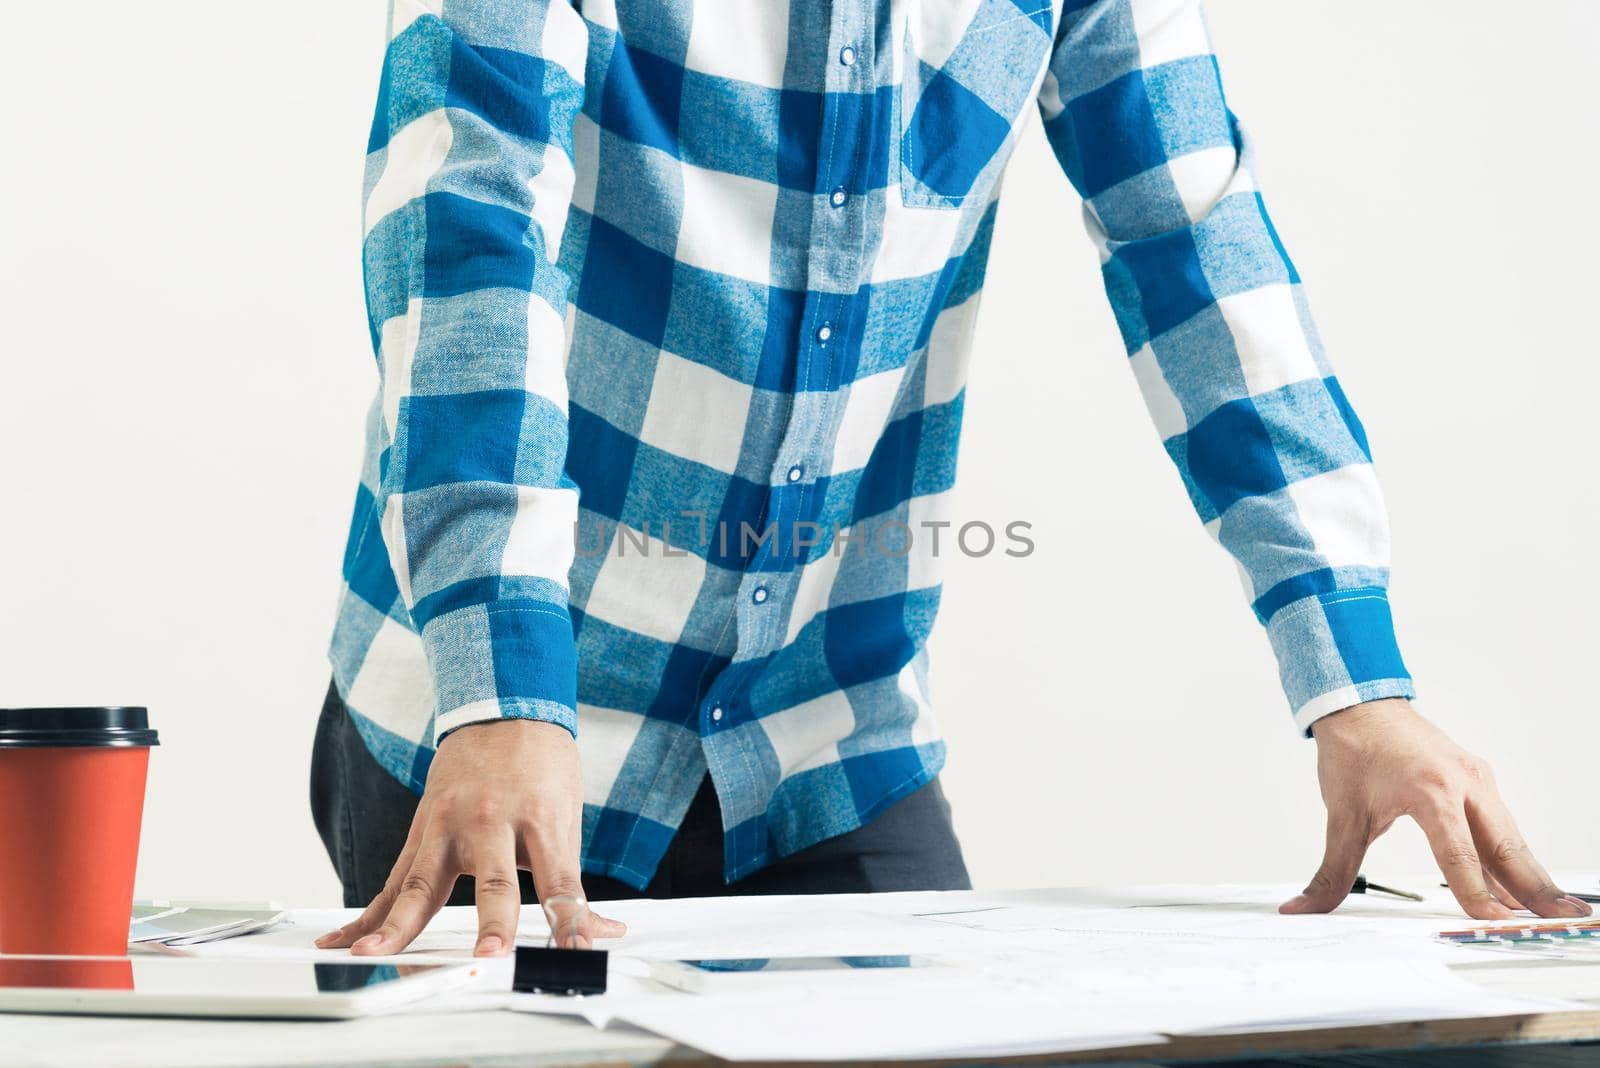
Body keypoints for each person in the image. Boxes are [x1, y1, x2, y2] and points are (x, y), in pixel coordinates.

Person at [310, 0, 1590, 957]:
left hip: (824, 728)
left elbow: (1192, 236)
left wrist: (1353, 679)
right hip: (501, 725)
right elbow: (463, 234)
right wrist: (504, 679)